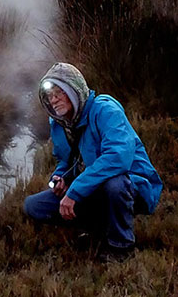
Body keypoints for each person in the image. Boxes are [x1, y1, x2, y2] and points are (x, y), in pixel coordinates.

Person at [23, 62, 163, 262]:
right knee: (33, 206)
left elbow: (117, 158)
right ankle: (101, 226)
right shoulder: (60, 123)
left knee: (115, 184)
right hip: (93, 186)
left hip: (133, 184)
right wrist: (61, 177)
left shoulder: (106, 110)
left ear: (74, 90)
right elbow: (65, 160)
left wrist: (75, 190)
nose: (53, 100)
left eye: (59, 92)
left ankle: (121, 246)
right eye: (49, 96)